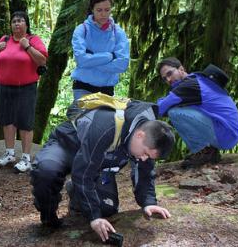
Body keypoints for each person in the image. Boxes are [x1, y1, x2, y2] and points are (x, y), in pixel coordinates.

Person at [30, 100, 175, 242]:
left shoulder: (151, 133)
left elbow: (145, 172)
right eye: (145, 153)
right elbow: (83, 172)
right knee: (46, 172)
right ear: (139, 135)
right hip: (68, 145)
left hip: (98, 162)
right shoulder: (107, 126)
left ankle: (76, 192)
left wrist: (148, 202)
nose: (144, 159)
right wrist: (94, 216)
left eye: (148, 157)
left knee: (106, 210)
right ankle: (49, 218)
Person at [0, 11, 48, 173]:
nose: (17, 24)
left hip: (26, 87)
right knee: (7, 120)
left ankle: (26, 158)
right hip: (4, 87)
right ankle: (9, 153)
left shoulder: (33, 40)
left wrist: (27, 46)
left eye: (20, 21)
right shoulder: (5, 40)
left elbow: (42, 60)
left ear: (26, 24)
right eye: (14, 21)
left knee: (25, 122)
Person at [156, 57, 238, 168]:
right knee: (178, 110)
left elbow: (160, 108)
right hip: (228, 132)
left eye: (170, 73)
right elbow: (166, 103)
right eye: (164, 78)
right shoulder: (196, 80)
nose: (168, 79)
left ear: (181, 69)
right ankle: (209, 152)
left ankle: (203, 152)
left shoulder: (190, 85)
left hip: (226, 133)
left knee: (175, 113)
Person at [71, 0, 129, 100]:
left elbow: (123, 64)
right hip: (83, 88)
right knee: (82, 117)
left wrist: (91, 60)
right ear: (92, 10)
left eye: (107, 10)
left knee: (105, 118)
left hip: (107, 90)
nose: (103, 14)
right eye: (99, 10)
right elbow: (81, 60)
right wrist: (110, 56)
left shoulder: (118, 32)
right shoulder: (82, 30)